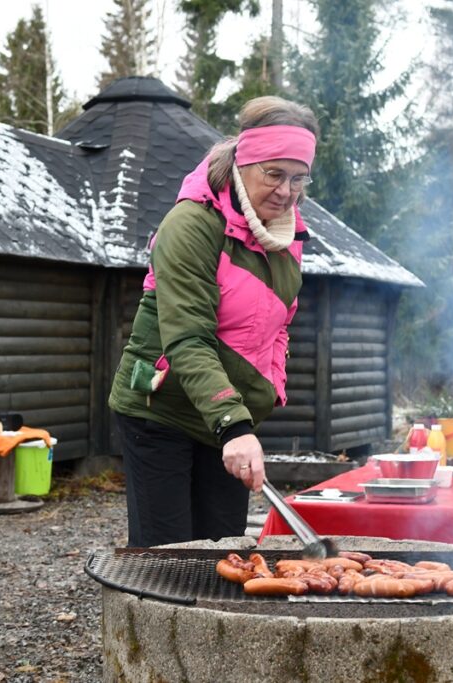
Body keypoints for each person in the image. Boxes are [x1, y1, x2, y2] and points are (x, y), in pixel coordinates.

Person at [109, 96, 320, 547]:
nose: (286, 191)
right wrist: (235, 424)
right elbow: (187, 338)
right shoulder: (192, 224)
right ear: (245, 163)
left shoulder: (285, 234)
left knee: (225, 549)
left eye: (298, 178)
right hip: (162, 410)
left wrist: (267, 385)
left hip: (225, 416)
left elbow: (280, 323)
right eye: (275, 174)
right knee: (169, 559)